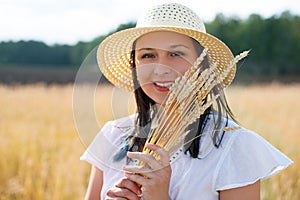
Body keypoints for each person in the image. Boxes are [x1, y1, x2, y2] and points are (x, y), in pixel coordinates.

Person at [80, 3, 292, 200]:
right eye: (147, 55)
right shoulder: (113, 135)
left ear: (201, 65)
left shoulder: (234, 146)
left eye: (175, 54)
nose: (161, 69)